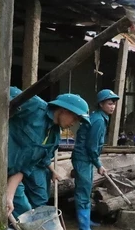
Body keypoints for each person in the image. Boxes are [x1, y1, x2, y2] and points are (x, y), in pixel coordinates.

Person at [7, 88, 89, 218]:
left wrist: (9, 196)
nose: (74, 123)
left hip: (11, 176)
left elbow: (23, 168)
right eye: (75, 117)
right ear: (64, 109)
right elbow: (4, 92)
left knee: (24, 212)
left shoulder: (54, 138)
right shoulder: (34, 106)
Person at [71, 89, 119, 230]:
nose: (113, 106)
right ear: (101, 104)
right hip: (83, 158)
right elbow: (91, 146)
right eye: (110, 103)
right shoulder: (98, 120)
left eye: (114, 104)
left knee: (86, 189)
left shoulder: (100, 117)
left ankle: (86, 221)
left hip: (85, 158)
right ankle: (83, 228)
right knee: (83, 191)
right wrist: (98, 164)